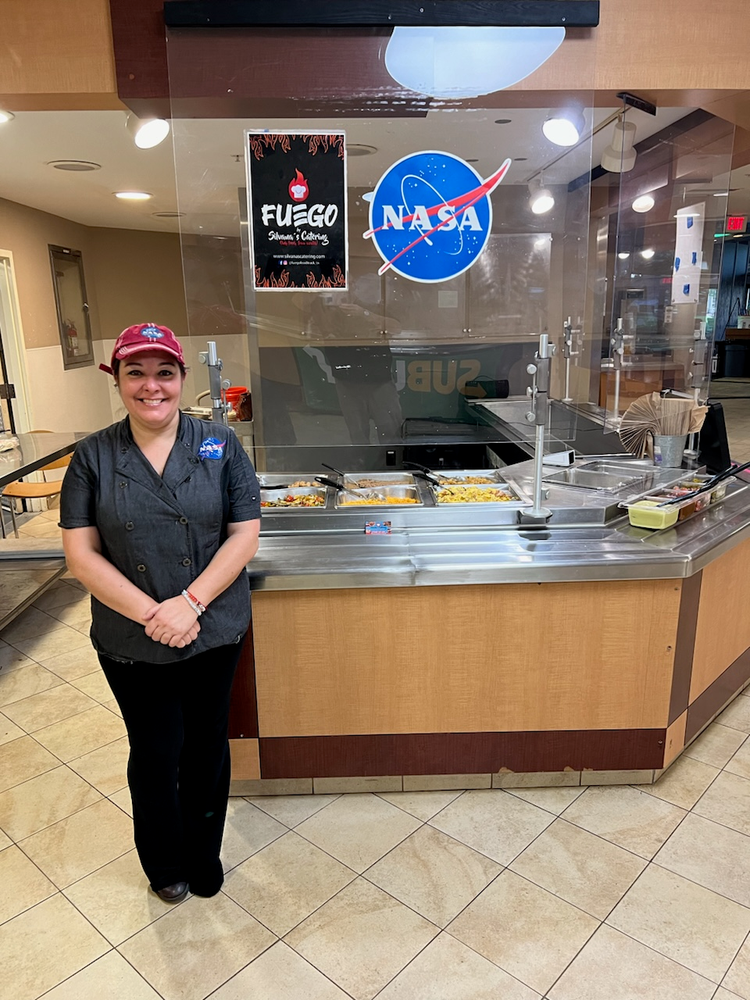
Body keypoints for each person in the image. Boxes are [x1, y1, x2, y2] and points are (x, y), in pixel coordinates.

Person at [60, 323, 261, 903]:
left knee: (206, 746)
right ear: (118, 380)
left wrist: (191, 603)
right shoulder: (94, 455)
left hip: (214, 627)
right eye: (137, 373)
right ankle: (164, 862)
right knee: (155, 751)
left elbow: (244, 534)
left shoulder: (219, 443)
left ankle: (204, 855)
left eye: (164, 373)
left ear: (181, 379)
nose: (152, 386)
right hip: (131, 636)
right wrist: (158, 613)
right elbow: (81, 554)